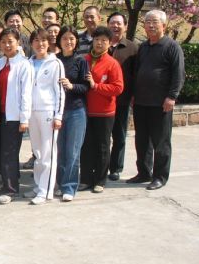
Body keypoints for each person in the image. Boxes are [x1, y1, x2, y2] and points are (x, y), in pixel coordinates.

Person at [128, 10, 185, 190]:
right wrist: (134, 94)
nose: (151, 25)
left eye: (155, 22)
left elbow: (178, 74)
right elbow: (137, 71)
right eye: (148, 22)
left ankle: (160, 176)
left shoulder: (172, 46)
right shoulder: (144, 47)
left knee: (161, 142)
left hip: (161, 103)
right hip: (141, 102)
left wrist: (172, 96)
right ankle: (144, 172)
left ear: (164, 25)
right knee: (142, 141)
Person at [79, 26, 124, 193]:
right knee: (86, 146)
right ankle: (85, 179)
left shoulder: (112, 63)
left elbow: (118, 88)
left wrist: (96, 86)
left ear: (110, 43)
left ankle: (100, 180)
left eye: (104, 40)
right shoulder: (84, 60)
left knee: (102, 147)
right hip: (85, 111)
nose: (99, 43)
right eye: (97, 39)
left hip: (104, 112)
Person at [0, 28, 33, 204]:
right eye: (3, 42)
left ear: (18, 43)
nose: (7, 45)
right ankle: (7, 184)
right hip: (0, 114)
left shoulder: (24, 64)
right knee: (2, 152)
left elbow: (26, 93)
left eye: (10, 41)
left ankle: (11, 190)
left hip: (14, 116)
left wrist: (24, 118)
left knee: (9, 153)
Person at [27, 28, 65, 205]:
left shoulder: (55, 63)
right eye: (36, 40)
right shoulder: (28, 63)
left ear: (48, 43)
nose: (40, 44)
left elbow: (60, 91)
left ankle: (45, 190)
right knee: (38, 152)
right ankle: (38, 186)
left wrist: (58, 115)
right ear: (31, 44)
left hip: (48, 111)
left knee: (48, 152)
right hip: (32, 113)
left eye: (43, 40)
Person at [56, 26, 90, 201]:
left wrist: (71, 86)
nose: (68, 42)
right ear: (59, 41)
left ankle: (69, 187)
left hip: (76, 110)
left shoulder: (81, 61)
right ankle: (60, 183)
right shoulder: (54, 61)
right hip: (58, 111)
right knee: (60, 150)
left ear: (76, 41)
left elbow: (86, 86)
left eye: (71, 38)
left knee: (73, 151)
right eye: (64, 38)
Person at [107, 12, 139, 181]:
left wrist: (133, 95)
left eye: (119, 23)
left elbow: (136, 74)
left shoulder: (133, 49)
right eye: (112, 23)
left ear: (125, 26)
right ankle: (101, 166)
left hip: (122, 100)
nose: (115, 26)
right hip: (102, 100)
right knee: (102, 137)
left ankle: (115, 168)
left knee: (119, 136)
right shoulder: (100, 44)